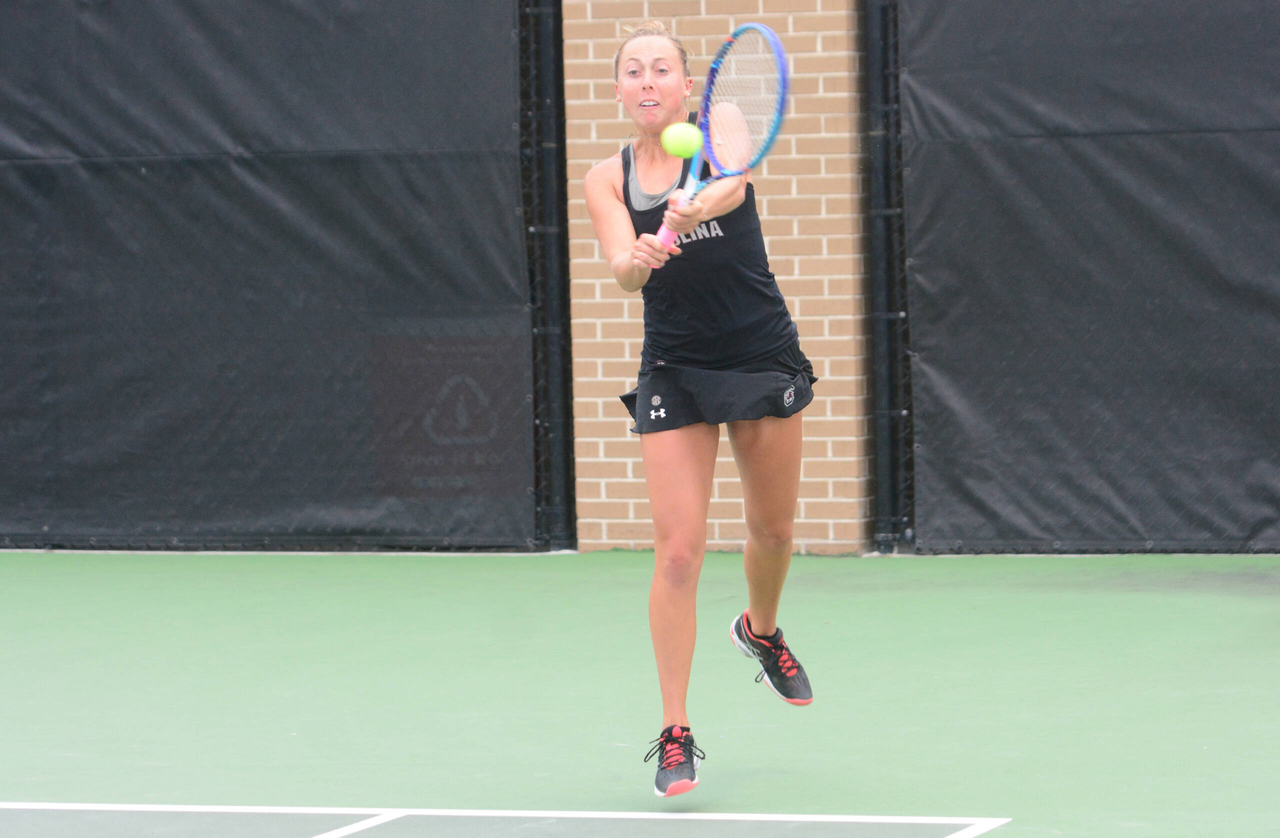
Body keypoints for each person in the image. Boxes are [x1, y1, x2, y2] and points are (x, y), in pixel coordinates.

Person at [583, 21, 816, 799]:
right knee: (678, 553)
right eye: (633, 71)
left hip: (758, 348)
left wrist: (686, 213)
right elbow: (622, 271)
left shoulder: (720, 123)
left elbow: (733, 186)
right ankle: (676, 730)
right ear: (619, 91)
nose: (647, 81)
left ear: (687, 86)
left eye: (661, 69)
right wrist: (640, 255)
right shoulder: (606, 178)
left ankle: (760, 630)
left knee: (772, 531)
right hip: (675, 365)